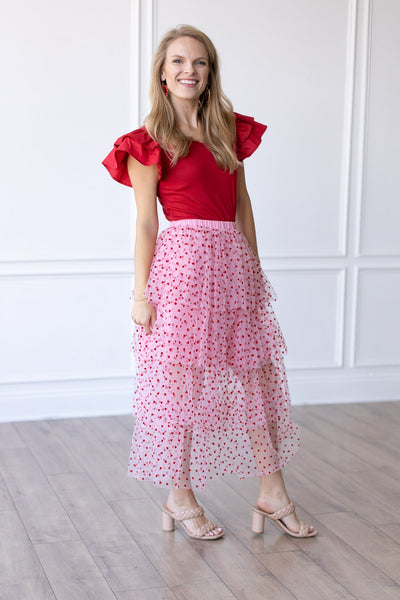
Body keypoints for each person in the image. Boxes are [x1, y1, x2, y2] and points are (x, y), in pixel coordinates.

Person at [102, 24, 317, 540]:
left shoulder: (227, 131)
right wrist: (141, 293)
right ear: (162, 73)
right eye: (178, 61)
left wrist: (254, 270)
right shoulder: (145, 144)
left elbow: (243, 206)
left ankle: (273, 492)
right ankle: (179, 496)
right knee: (183, 386)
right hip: (182, 269)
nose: (189, 70)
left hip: (232, 267)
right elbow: (146, 222)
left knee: (254, 379)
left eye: (199, 62)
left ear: (210, 72)